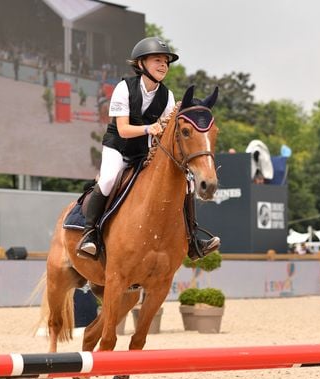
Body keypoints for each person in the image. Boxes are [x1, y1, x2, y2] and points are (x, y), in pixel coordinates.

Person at [77, 37, 220, 260]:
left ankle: (193, 239)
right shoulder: (124, 88)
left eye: (166, 61)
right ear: (141, 63)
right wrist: (149, 129)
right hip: (118, 148)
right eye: (157, 60)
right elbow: (123, 129)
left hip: (145, 152)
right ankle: (90, 234)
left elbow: (168, 132)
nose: (163, 65)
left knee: (187, 184)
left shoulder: (168, 96)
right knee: (108, 179)